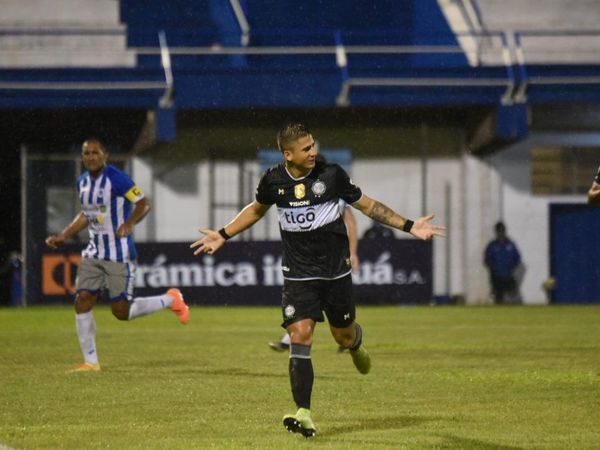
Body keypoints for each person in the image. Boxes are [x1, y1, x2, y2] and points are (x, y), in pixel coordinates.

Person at [190, 123, 445, 438]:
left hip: (336, 273)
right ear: (288, 154)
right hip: (298, 276)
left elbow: (367, 206)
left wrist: (409, 226)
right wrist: (223, 234)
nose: (314, 152)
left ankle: (355, 342)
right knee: (300, 335)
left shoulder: (331, 175)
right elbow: (256, 211)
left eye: (313, 146)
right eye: (306, 148)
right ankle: (304, 413)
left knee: (343, 337)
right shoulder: (273, 181)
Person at [45, 139, 189, 373]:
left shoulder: (117, 178)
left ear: (105, 155)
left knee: (121, 311)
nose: (90, 157)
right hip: (94, 251)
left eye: (95, 152)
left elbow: (143, 203)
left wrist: (129, 223)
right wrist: (64, 234)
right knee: (82, 301)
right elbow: (86, 214)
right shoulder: (82, 182)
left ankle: (171, 299)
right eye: (86, 153)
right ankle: (91, 362)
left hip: (119, 252)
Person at [268, 201, 359, 353]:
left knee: (339, 311)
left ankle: (348, 338)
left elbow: (352, 223)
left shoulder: (336, 187)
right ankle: (290, 339)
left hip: (335, 264)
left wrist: (353, 252)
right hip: (307, 264)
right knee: (306, 307)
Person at [483, 221, 522, 304]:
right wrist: (493, 269)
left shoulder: (510, 245)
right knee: (498, 296)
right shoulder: (492, 245)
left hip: (508, 275)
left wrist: (511, 267)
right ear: (496, 232)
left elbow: (517, 257)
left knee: (513, 294)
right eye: (499, 231)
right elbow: (487, 259)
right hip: (496, 276)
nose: (501, 233)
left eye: (502, 230)